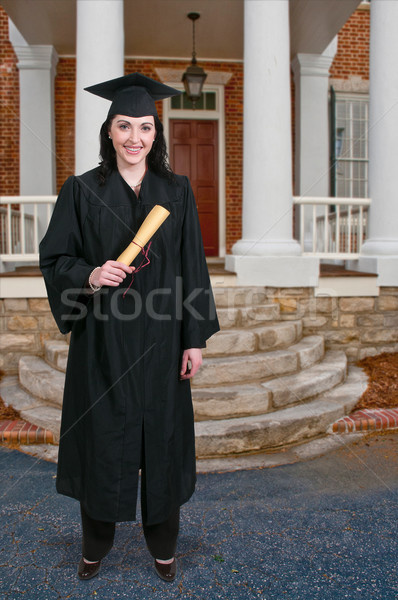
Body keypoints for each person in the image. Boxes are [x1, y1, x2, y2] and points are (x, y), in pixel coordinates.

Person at [39, 73, 219, 583]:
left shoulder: (176, 192)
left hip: (163, 342)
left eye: (144, 127)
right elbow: (55, 258)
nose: (135, 137)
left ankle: (164, 547)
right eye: (124, 126)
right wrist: (91, 274)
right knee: (101, 440)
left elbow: (192, 269)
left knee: (161, 440)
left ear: (155, 134)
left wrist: (193, 338)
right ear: (110, 132)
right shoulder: (80, 191)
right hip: (103, 344)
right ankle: (94, 545)